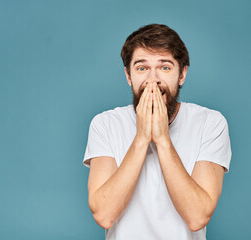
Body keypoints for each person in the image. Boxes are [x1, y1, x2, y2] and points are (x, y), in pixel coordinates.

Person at [83, 24, 232, 240]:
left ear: (182, 74)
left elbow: (197, 216)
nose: (153, 80)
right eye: (142, 68)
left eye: (165, 67)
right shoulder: (105, 124)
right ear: (128, 76)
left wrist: (162, 139)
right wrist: (142, 138)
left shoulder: (210, 123)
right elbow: (104, 215)